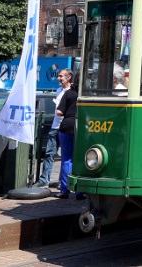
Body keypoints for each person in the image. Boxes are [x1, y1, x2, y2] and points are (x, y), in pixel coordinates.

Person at [55, 69, 84, 200]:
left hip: (67, 125)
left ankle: (65, 190)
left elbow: (59, 112)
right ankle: (79, 191)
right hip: (82, 127)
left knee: (66, 159)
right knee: (79, 158)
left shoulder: (69, 93)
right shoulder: (85, 94)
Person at [36, 70, 66, 187]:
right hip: (55, 126)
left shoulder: (71, 92)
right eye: (58, 76)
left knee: (66, 156)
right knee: (49, 153)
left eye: (61, 76)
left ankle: (62, 181)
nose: (58, 78)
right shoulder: (58, 91)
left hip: (65, 127)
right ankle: (44, 180)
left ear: (68, 78)